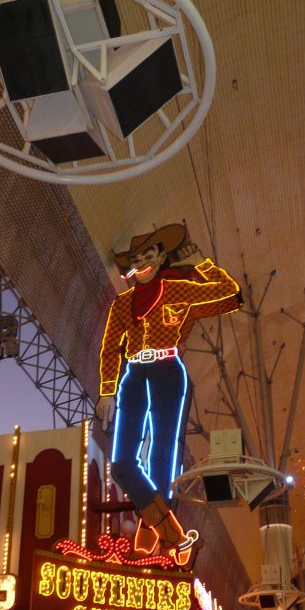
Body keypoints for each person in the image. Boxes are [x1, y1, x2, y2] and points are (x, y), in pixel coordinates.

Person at [96, 223, 241, 567]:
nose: (142, 262)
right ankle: (174, 536)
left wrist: (203, 264)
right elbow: (109, 350)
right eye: (136, 258)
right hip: (133, 376)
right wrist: (106, 392)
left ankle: (151, 528)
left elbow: (231, 296)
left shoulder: (180, 291)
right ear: (129, 266)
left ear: (161, 258)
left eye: (149, 254)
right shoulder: (122, 304)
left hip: (167, 371)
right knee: (122, 464)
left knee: (163, 454)